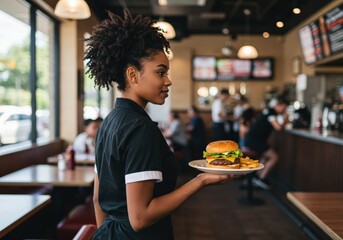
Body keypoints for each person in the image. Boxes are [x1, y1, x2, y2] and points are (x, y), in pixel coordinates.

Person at [84, 10, 234, 239]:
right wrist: (201, 180)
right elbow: (140, 218)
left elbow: (98, 199)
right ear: (133, 75)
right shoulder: (139, 127)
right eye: (160, 73)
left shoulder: (108, 122)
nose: (168, 81)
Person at [243, 96, 289, 190]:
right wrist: (286, 120)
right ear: (279, 105)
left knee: (265, 156)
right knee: (274, 157)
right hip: (254, 141)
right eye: (284, 107)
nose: (284, 110)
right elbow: (278, 128)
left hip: (253, 140)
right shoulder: (271, 112)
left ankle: (257, 176)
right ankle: (261, 178)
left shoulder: (269, 112)